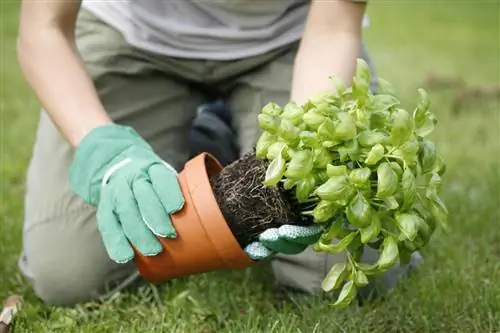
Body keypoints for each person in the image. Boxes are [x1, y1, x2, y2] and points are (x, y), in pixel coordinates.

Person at [16, 0, 421, 307]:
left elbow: (334, 27)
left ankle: (226, 141)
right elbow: (42, 28)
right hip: (131, 38)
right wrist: (105, 149)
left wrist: (302, 152)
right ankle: (203, 142)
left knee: (340, 273)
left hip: (290, 42)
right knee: (71, 274)